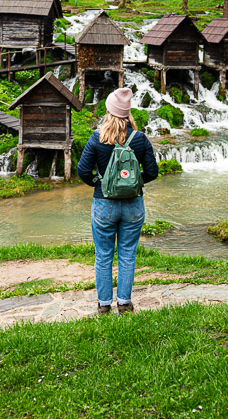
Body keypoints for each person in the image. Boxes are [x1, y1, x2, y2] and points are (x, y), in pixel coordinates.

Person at [77, 87, 159, 315]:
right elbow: (152, 172)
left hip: (104, 204)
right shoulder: (140, 139)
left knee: (103, 255)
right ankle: (124, 303)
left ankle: (104, 305)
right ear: (128, 113)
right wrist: (133, 183)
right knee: (127, 253)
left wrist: (101, 183)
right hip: (133, 205)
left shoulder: (97, 138)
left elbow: (82, 170)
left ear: (108, 112)